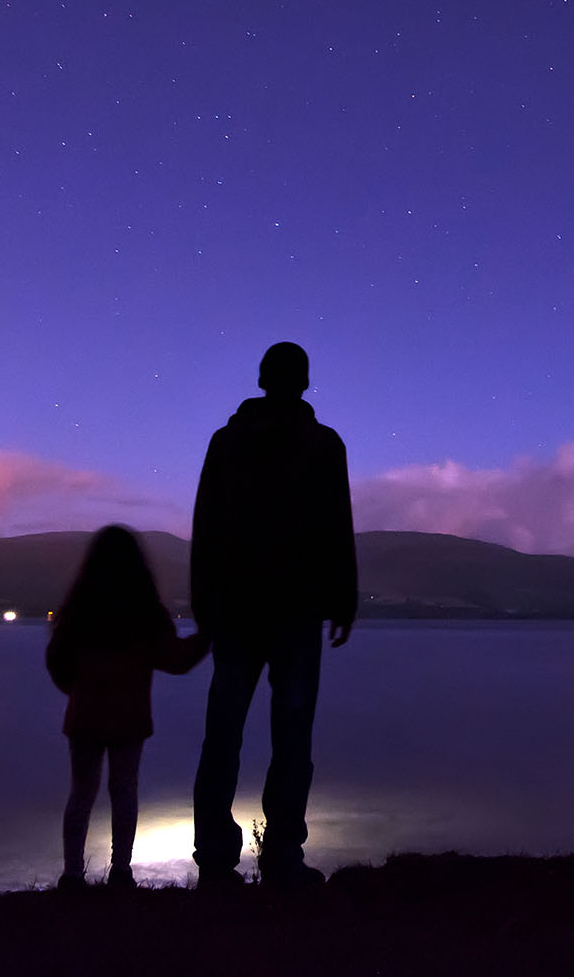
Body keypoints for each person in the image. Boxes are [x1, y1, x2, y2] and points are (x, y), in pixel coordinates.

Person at [191, 342, 357, 889]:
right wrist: (343, 598)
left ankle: (217, 856)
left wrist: (203, 603)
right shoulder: (325, 445)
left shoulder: (227, 442)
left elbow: (206, 525)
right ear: (306, 382)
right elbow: (338, 526)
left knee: (224, 733)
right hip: (297, 609)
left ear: (262, 377)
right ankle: (282, 852)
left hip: (238, 607)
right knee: (292, 735)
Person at [45, 525, 208, 889]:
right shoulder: (146, 613)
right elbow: (176, 659)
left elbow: (56, 660)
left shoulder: (78, 612)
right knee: (124, 791)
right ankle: (121, 871)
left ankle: (72, 875)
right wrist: (208, 636)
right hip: (129, 716)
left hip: (85, 715)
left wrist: (77, 691)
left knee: (81, 793)